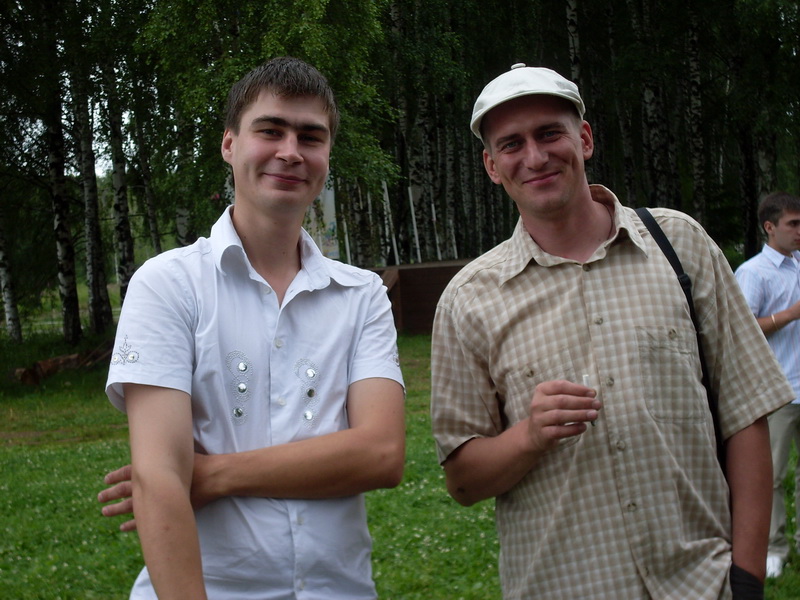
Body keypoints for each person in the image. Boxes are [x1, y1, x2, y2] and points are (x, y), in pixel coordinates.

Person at [430, 63, 793, 599]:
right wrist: (528, 436)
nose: (535, 157)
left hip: (701, 584)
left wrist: (746, 579)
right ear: (491, 166)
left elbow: (746, 414)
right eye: (511, 144)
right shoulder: (469, 299)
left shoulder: (680, 245)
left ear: (584, 138)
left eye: (549, 133)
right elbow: (463, 481)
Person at [97, 57, 406, 599]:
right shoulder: (168, 285)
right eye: (270, 130)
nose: (291, 151)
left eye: (311, 136)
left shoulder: (362, 296)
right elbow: (159, 479)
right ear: (229, 144)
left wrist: (213, 474)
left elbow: (381, 454)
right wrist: (176, 475)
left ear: (327, 155)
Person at [734, 191, 800, 579]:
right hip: (778, 391)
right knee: (771, 477)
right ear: (770, 227)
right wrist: (789, 315)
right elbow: (741, 330)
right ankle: (774, 548)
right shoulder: (753, 273)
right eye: (793, 224)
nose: (799, 231)